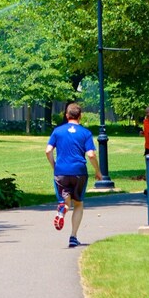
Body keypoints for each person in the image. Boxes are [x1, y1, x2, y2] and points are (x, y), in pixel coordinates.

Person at [45, 103, 103, 248]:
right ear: (80, 116)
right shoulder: (85, 133)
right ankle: (73, 236)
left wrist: (54, 166)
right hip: (79, 172)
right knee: (78, 203)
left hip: (61, 172)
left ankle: (62, 211)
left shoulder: (57, 131)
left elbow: (48, 150)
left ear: (66, 115)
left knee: (65, 202)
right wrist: (97, 171)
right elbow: (91, 154)